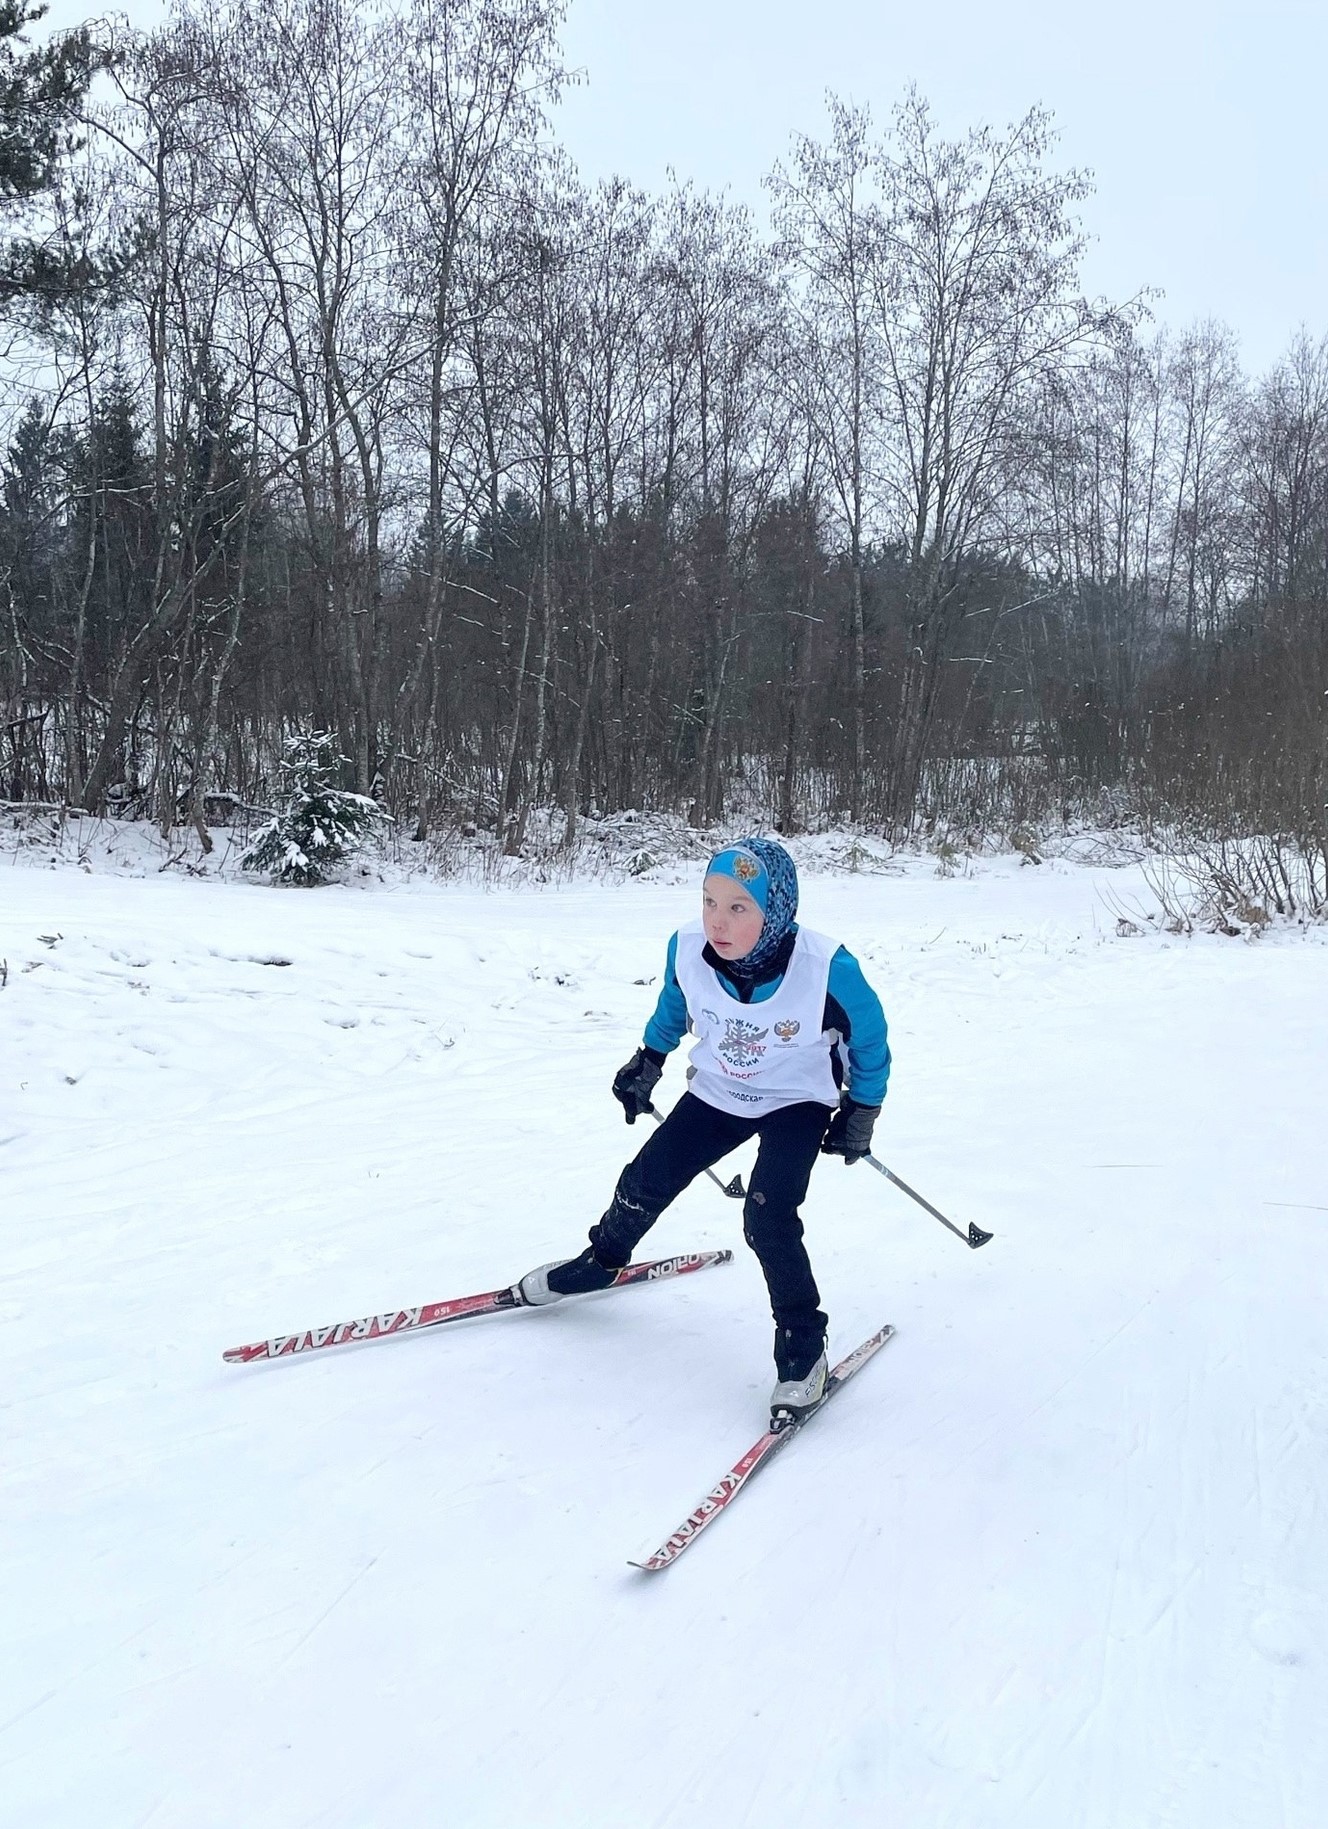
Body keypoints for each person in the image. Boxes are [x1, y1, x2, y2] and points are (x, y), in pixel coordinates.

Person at [518, 836, 891, 1426]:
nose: (717, 920)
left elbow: (868, 1040)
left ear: (776, 912)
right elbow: (676, 1002)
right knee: (644, 1178)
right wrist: (648, 1059)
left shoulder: (827, 968)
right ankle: (602, 1259)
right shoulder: (687, 947)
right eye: (709, 901)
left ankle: (802, 1344)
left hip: (796, 1101)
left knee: (768, 1216)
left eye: (739, 907)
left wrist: (862, 1108)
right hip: (719, 1090)